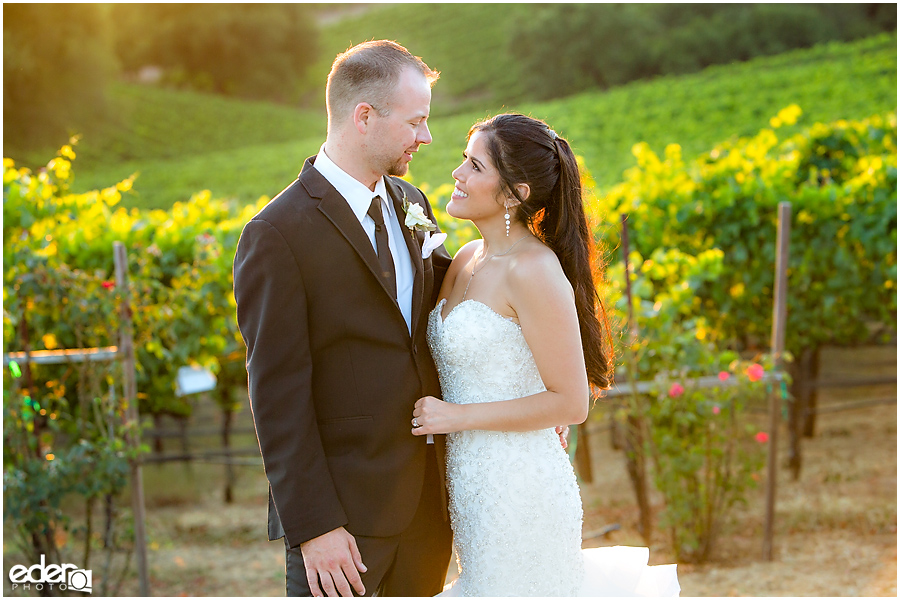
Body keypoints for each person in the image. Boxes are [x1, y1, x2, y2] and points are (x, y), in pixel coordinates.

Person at [411, 113, 680, 596]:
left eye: (474, 165)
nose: (457, 173)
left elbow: (571, 403)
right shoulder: (467, 258)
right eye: (463, 159)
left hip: (522, 489)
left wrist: (457, 416)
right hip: (473, 486)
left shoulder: (534, 270)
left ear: (515, 193)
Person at [233, 40, 455, 597]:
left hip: (429, 508)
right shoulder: (276, 234)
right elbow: (277, 393)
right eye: (416, 121)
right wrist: (315, 528)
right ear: (364, 117)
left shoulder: (413, 202)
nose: (425, 138)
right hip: (344, 527)